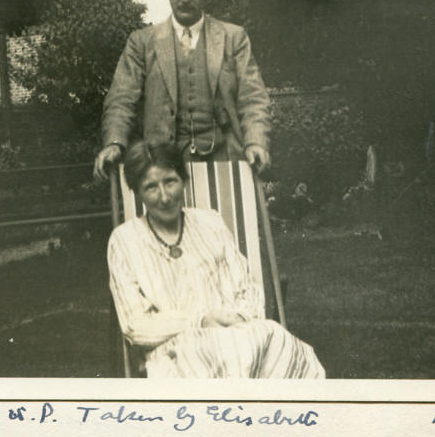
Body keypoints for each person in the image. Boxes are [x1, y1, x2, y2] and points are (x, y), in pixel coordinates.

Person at [107, 141, 325, 378]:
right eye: (150, 187)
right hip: (179, 348)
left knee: (281, 341)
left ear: (183, 180)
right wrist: (199, 321)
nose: (165, 196)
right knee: (230, 354)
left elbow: (246, 289)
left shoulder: (210, 222)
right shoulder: (125, 241)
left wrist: (237, 319)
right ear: (137, 193)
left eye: (170, 181)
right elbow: (134, 324)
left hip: (239, 332)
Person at [93, 0, 272, 180]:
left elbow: (253, 98)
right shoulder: (141, 42)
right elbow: (121, 99)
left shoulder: (233, 38)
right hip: (164, 167)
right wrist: (114, 143)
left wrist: (256, 141)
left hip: (226, 161)